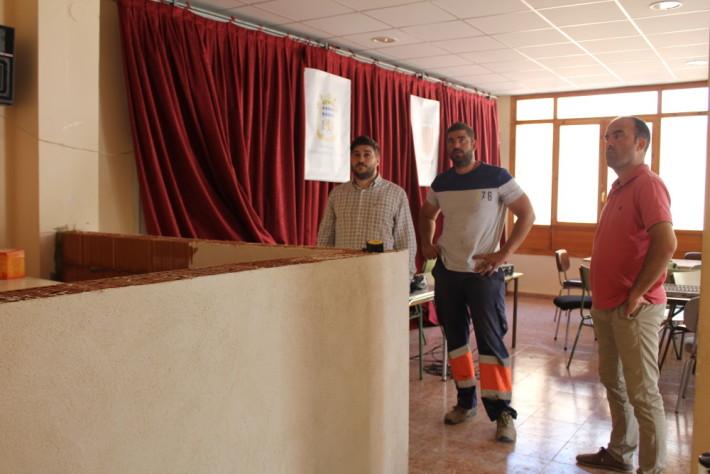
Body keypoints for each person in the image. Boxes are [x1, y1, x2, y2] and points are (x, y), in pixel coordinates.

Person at [418, 122, 535, 443]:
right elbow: (427, 214)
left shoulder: (497, 177)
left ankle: (502, 413)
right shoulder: (442, 182)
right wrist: (427, 243)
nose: (456, 145)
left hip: (483, 274)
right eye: (451, 141)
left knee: (490, 342)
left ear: (474, 143)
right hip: (448, 272)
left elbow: (527, 214)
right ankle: (465, 401)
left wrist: (503, 253)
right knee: (456, 341)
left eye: (462, 140)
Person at [576, 116, 676, 474]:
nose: (609, 142)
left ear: (641, 144)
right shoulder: (619, 187)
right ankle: (620, 453)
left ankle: (653, 469)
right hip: (608, 305)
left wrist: (637, 292)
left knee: (642, 392)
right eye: (607, 137)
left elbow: (666, 243)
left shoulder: (648, 184)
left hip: (634, 307)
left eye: (618, 135)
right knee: (613, 382)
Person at [317, 135, 417, 278]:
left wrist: (406, 276)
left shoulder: (396, 194)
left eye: (367, 154)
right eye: (356, 155)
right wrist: (322, 271)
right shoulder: (337, 194)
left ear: (378, 160)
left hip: (381, 276)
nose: (361, 160)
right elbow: (325, 238)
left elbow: (406, 240)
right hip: (343, 275)